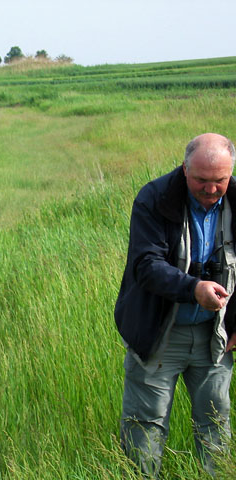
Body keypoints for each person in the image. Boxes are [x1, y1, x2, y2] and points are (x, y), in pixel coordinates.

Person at [115, 133, 236, 477]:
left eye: (220, 181)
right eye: (201, 180)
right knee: (144, 427)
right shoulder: (154, 198)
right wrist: (193, 288)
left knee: (216, 424)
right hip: (159, 331)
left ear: (230, 174)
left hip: (215, 335)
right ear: (184, 169)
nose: (211, 189)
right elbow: (146, 266)